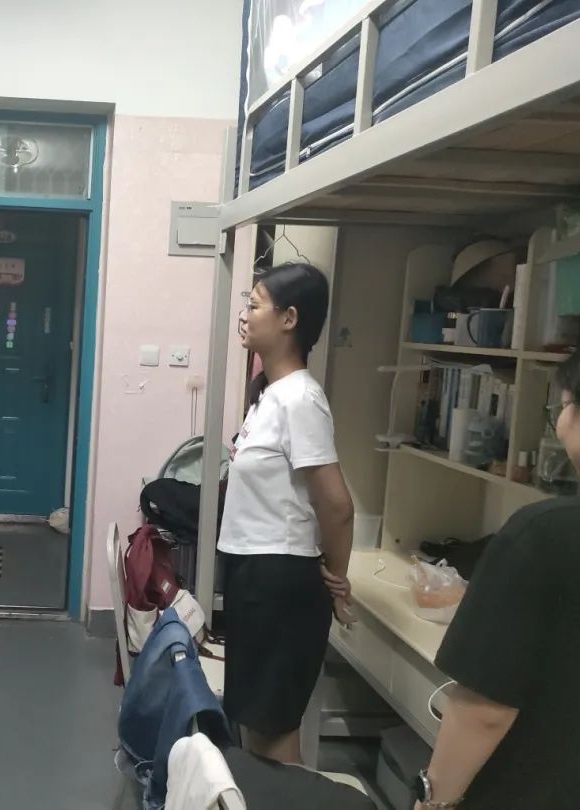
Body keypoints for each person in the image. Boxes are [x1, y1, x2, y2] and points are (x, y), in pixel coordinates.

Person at [412, 350, 580, 810]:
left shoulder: (543, 534)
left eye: (563, 406)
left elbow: (483, 711)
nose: (559, 423)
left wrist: (433, 801)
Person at [217, 262, 355, 764]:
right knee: (256, 723)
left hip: (281, 579)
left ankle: (282, 798)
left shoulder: (301, 399)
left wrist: (336, 577)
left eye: (255, 305)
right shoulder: (270, 395)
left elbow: (336, 504)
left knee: (274, 730)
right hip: (254, 572)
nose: (245, 315)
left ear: (289, 319)